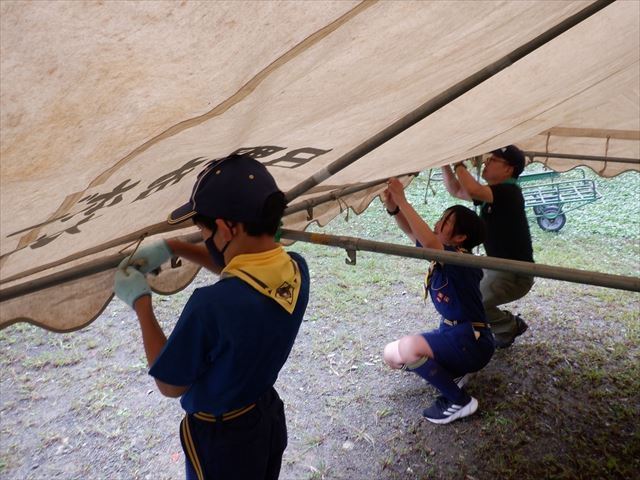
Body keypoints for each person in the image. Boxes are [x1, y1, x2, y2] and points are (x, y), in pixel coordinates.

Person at [113, 154, 310, 480]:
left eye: (203, 231)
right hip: (265, 417)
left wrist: (141, 301)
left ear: (225, 227)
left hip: (222, 441)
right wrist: (176, 246)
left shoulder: (211, 306)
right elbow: (244, 270)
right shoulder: (295, 268)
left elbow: (169, 384)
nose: (204, 239)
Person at [382, 178, 494, 424]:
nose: (437, 224)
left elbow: (430, 244)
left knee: (409, 348)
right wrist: (394, 208)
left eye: (445, 223)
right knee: (391, 354)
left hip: (471, 341)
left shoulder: (461, 260)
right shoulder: (447, 254)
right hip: (454, 333)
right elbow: (413, 232)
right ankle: (450, 374)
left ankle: (458, 399)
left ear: (460, 238)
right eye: (441, 218)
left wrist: (403, 199)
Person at [441, 146, 534, 349]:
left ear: (509, 169)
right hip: (496, 267)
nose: (485, 163)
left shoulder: (510, 193)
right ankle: (500, 326)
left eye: (492, 160)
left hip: (515, 273)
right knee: (466, 296)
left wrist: (457, 162)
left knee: (474, 303)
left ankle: (509, 326)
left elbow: (473, 189)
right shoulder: (493, 195)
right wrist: (444, 162)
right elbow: (456, 190)